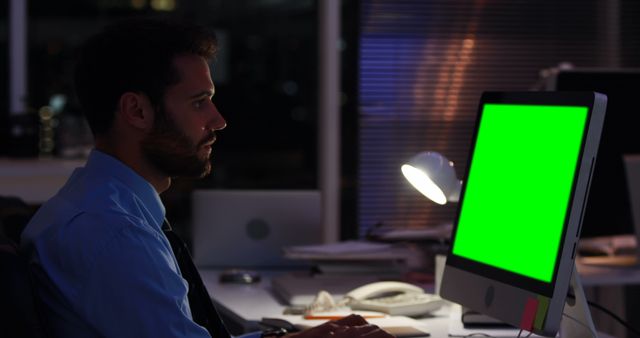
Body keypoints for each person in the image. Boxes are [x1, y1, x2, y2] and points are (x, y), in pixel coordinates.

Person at [20, 18, 394, 338]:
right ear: (136, 110)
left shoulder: (100, 206)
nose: (218, 120)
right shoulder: (112, 232)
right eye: (199, 102)